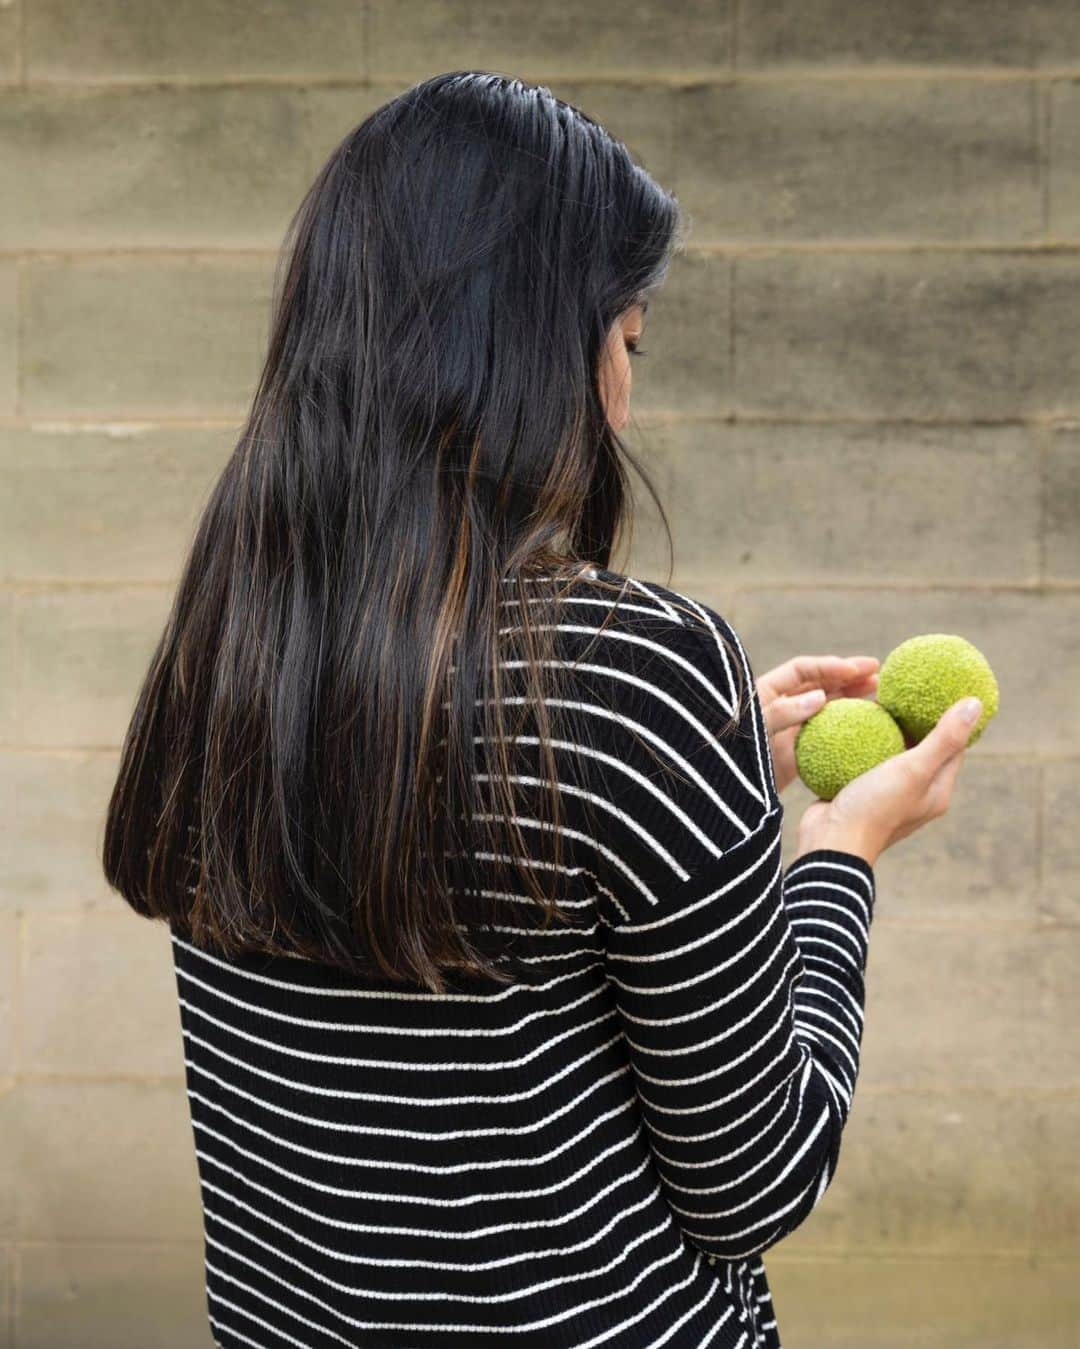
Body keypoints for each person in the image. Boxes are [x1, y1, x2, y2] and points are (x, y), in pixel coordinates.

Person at [102, 70, 978, 1349]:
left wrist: (714, 771)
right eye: (629, 343)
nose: (629, 395)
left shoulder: (233, 639)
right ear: (538, 346)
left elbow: (470, 827)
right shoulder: (638, 668)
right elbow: (760, 1179)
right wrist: (841, 854)